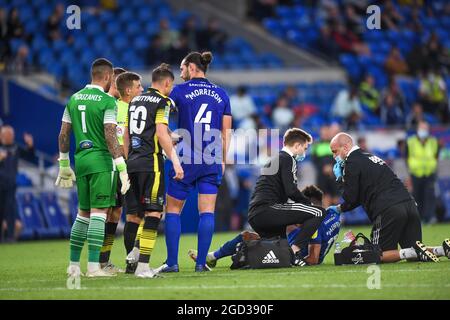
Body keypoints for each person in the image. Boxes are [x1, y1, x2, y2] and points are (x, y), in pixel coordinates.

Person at [157, 51, 232, 273]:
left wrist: (170, 134)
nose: (180, 73)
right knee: (207, 211)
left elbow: (159, 117)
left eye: (181, 69)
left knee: (172, 210)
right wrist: (224, 160)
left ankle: (172, 263)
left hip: (186, 157)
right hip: (212, 158)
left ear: (191, 67)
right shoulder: (221, 93)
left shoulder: (178, 90)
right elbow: (226, 132)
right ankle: (200, 264)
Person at [56, 58, 131, 278]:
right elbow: (110, 134)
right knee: (99, 214)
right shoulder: (107, 101)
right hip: (101, 162)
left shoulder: (74, 98)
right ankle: (93, 267)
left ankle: (73, 265)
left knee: (83, 214)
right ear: (108, 77)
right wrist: (122, 167)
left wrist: (63, 164)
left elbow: (63, 133)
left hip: (80, 162)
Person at [328, 132, 440, 263]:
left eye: (335, 151)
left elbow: (350, 197)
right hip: (409, 204)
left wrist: (339, 179)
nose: (334, 156)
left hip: (388, 210)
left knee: (376, 255)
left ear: (346, 147)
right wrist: (340, 208)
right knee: (416, 254)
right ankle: (442, 250)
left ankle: (412, 251)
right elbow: (359, 196)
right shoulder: (370, 156)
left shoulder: (351, 162)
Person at [124, 64, 183, 278]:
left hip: (133, 162)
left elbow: (126, 136)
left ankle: (136, 251)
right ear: (167, 83)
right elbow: (160, 133)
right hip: (152, 163)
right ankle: (142, 267)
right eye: (171, 85)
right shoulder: (163, 101)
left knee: (141, 213)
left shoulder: (134, 101)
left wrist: (127, 159)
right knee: (155, 212)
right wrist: (175, 161)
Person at [188, 185, 340, 267]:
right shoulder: (331, 214)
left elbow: (313, 259)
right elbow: (339, 208)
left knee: (247, 244)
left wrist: (291, 259)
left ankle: (221, 257)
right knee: (248, 235)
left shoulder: (314, 226)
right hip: (290, 244)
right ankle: (213, 257)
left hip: (290, 253)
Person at [247, 128, 326, 267]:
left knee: (278, 254)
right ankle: (294, 251)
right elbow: (291, 190)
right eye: (305, 148)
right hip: (269, 208)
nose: (305, 152)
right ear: (297, 146)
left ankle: (241, 256)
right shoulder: (288, 159)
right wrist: (308, 204)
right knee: (319, 212)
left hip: (255, 214)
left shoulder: (275, 159)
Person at [99, 67, 127, 273]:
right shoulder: (103, 104)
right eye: (117, 81)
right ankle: (95, 259)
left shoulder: (128, 106)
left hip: (123, 165)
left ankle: (104, 259)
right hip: (105, 163)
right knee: (101, 211)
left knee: (117, 211)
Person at [0, 126, 34, 242]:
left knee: (10, 211)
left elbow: (29, 155)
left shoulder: (16, 148)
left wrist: (30, 145)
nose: (10, 136)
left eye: (11, 134)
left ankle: (10, 237)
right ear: (2, 136)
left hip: (11, 185)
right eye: (8, 134)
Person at [406, 121, 440, 223]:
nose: (423, 131)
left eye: (425, 129)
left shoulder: (433, 141)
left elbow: (436, 156)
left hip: (429, 173)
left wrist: (434, 167)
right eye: (422, 128)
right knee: (416, 196)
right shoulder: (411, 142)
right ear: (417, 129)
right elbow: (406, 157)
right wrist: (410, 169)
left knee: (429, 196)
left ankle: (429, 218)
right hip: (416, 173)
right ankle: (418, 219)